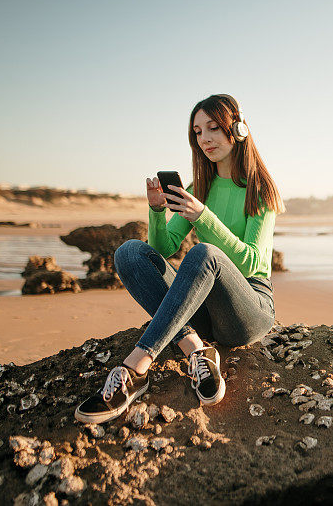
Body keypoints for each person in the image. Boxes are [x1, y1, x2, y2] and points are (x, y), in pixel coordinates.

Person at [74, 94, 285, 424]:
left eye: (213, 128)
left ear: (239, 129)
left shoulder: (259, 189)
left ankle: (136, 367)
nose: (205, 139)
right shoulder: (199, 186)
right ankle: (196, 350)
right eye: (197, 132)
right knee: (129, 252)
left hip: (248, 310)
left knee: (203, 253)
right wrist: (157, 210)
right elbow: (164, 248)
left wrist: (203, 217)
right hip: (203, 312)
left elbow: (249, 263)